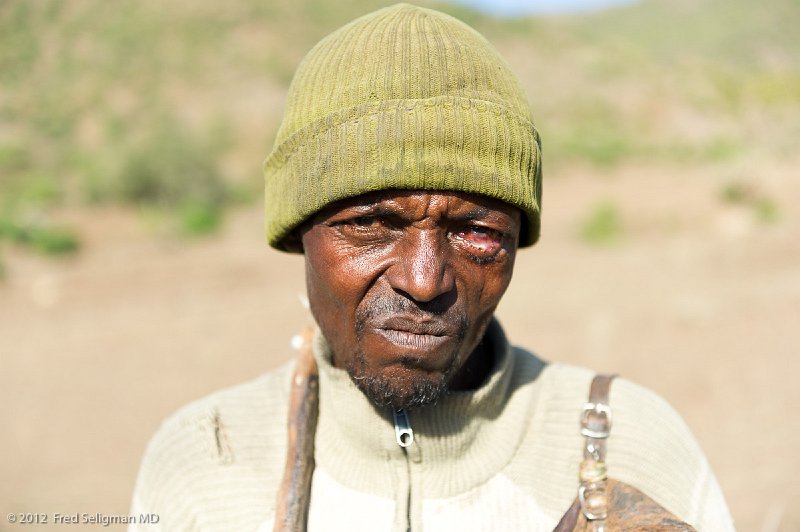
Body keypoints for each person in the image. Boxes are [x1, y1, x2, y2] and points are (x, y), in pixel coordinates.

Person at [130, 4, 734, 531]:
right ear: (299, 233)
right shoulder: (203, 460)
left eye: (476, 232)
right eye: (369, 225)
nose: (423, 281)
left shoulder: (636, 445)